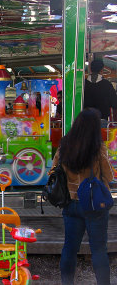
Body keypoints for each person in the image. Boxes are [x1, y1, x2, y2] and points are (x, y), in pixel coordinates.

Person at [52, 108, 113, 285]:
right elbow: (109, 175)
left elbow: (54, 171)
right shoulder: (97, 148)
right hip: (95, 205)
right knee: (99, 250)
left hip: (71, 203)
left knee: (70, 248)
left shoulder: (65, 145)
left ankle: (67, 282)